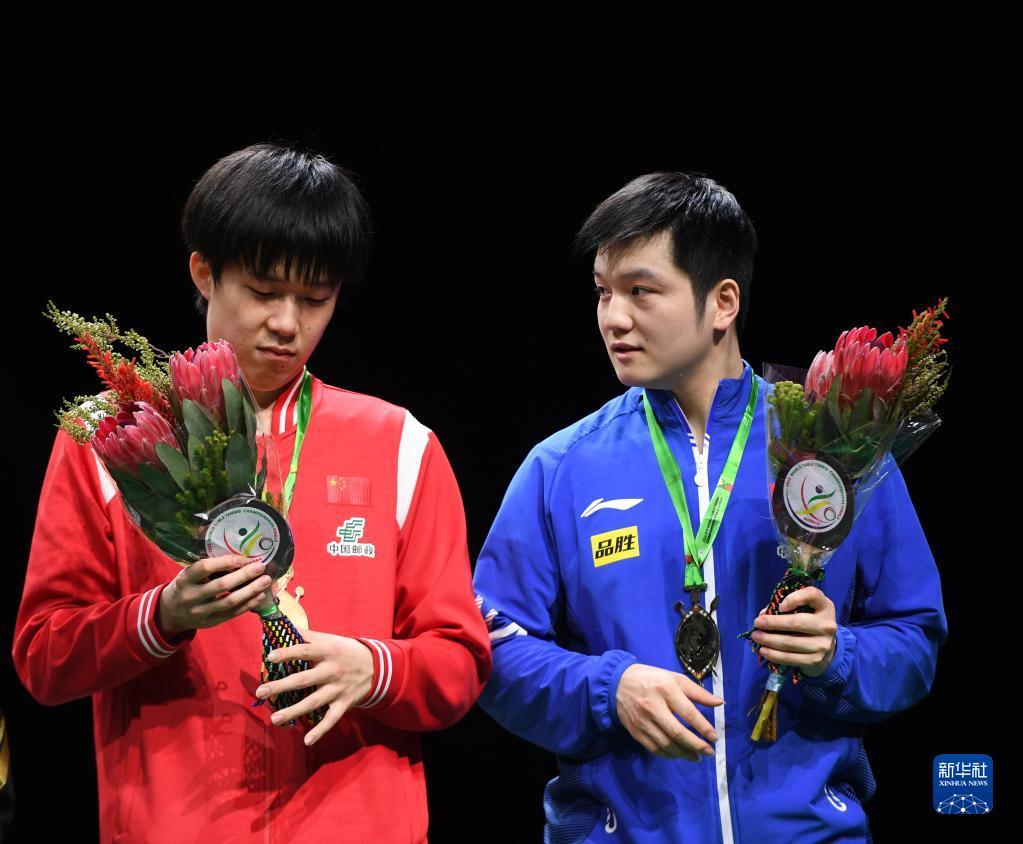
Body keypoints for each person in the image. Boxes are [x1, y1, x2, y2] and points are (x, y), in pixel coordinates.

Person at [13, 143, 491, 842]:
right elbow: (43, 657)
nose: (289, 324)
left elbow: (460, 663)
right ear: (204, 273)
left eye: (315, 299)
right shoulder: (111, 437)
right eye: (265, 292)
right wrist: (161, 615)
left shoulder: (400, 444)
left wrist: (373, 668)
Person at [472, 172, 947, 843]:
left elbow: (915, 638)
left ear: (722, 302)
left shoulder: (832, 451)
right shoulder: (561, 467)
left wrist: (836, 655)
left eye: (640, 291)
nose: (612, 318)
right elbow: (490, 649)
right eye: (603, 292)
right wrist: (609, 689)